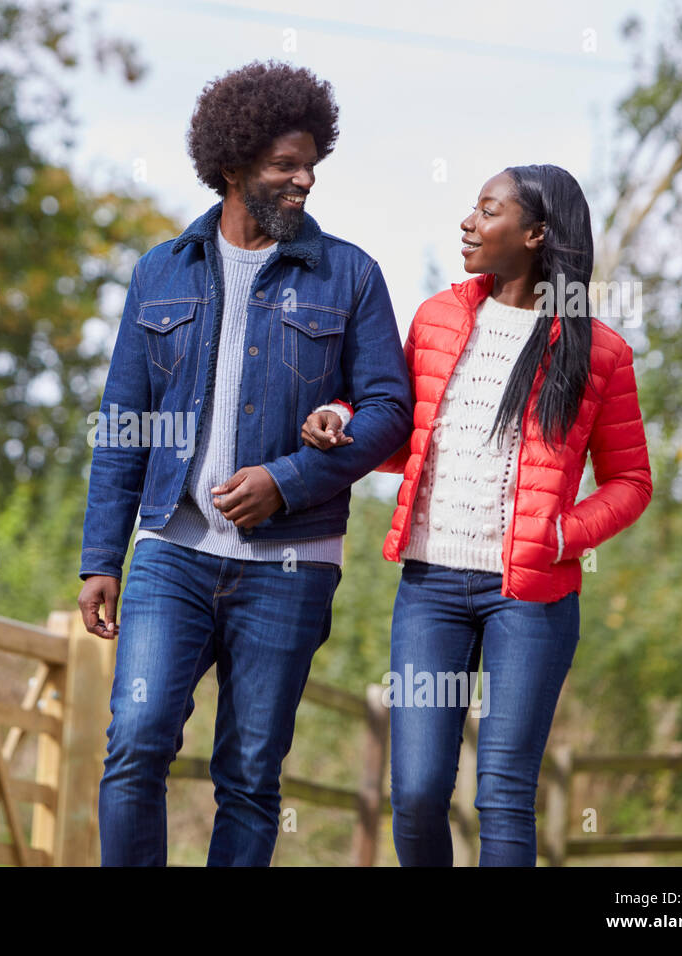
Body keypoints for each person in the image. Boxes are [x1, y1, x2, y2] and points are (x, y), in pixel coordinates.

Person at [76, 60, 413, 866]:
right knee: (135, 745)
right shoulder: (161, 270)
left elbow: (390, 412)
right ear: (231, 166)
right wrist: (100, 557)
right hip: (171, 553)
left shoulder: (351, 275)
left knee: (252, 775)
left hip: (291, 566)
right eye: (284, 166)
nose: (304, 181)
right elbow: (124, 422)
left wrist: (286, 480)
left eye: (311, 166)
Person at [301, 164, 652, 866]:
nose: (468, 221)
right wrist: (341, 417)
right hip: (430, 589)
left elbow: (631, 481)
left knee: (502, 795)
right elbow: (399, 429)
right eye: (472, 208)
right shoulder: (438, 318)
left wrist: (563, 534)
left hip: (531, 598)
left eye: (488, 211)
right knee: (421, 791)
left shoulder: (599, 352)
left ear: (535, 233)